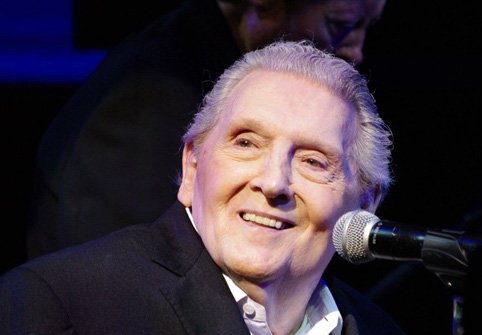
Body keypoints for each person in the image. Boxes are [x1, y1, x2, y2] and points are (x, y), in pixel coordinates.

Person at [1, 40, 441, 335]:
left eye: (313, 161)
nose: (274, 183)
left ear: (366, 202)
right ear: (192, 167)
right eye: (246, 143)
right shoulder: (61, 308)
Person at [26, 0, 386, 260]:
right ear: (266, 5)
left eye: (312, 161)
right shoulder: (148, 106)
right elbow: (119, 278)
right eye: (341, 24)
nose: (356, 52)